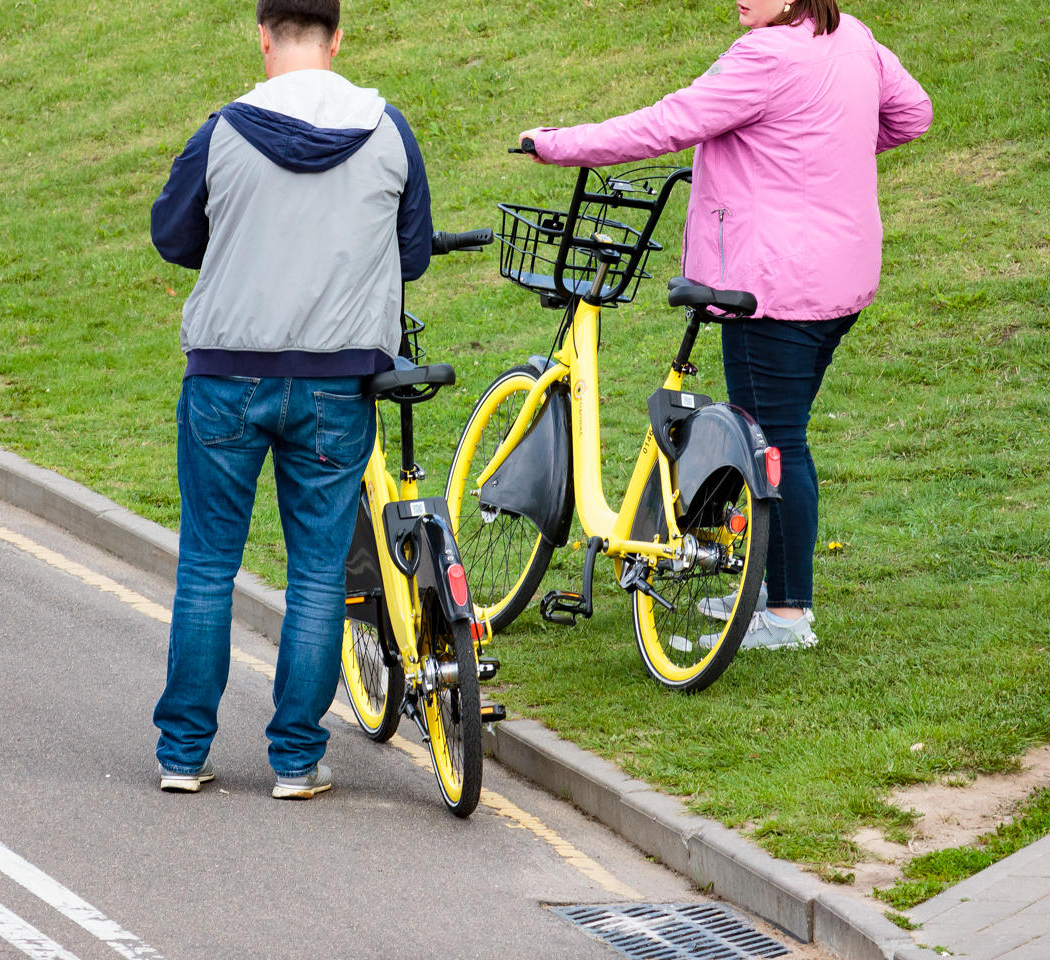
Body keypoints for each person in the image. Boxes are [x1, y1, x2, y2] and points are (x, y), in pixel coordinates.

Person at [517, 0, 930, 651]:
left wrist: (558, 144)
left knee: (777, 443)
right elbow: (913, 113)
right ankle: (766, 588)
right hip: (839, 281)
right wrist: (820, 143)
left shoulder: (763, 58)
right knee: (773, 434)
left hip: (772, 287)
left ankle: (790, 617)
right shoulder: (852, 37)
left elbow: (667, 124)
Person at [149, 0, 432, 797]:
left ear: (265, 38)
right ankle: (296, 760)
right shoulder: (388, 129)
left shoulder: (223, 130)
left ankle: (183, 756)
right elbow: (412, 254)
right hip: (337, 379)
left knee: (207, 566)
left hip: (226, 372)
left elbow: (173, 237)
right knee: (315, 574)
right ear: (338, 39)